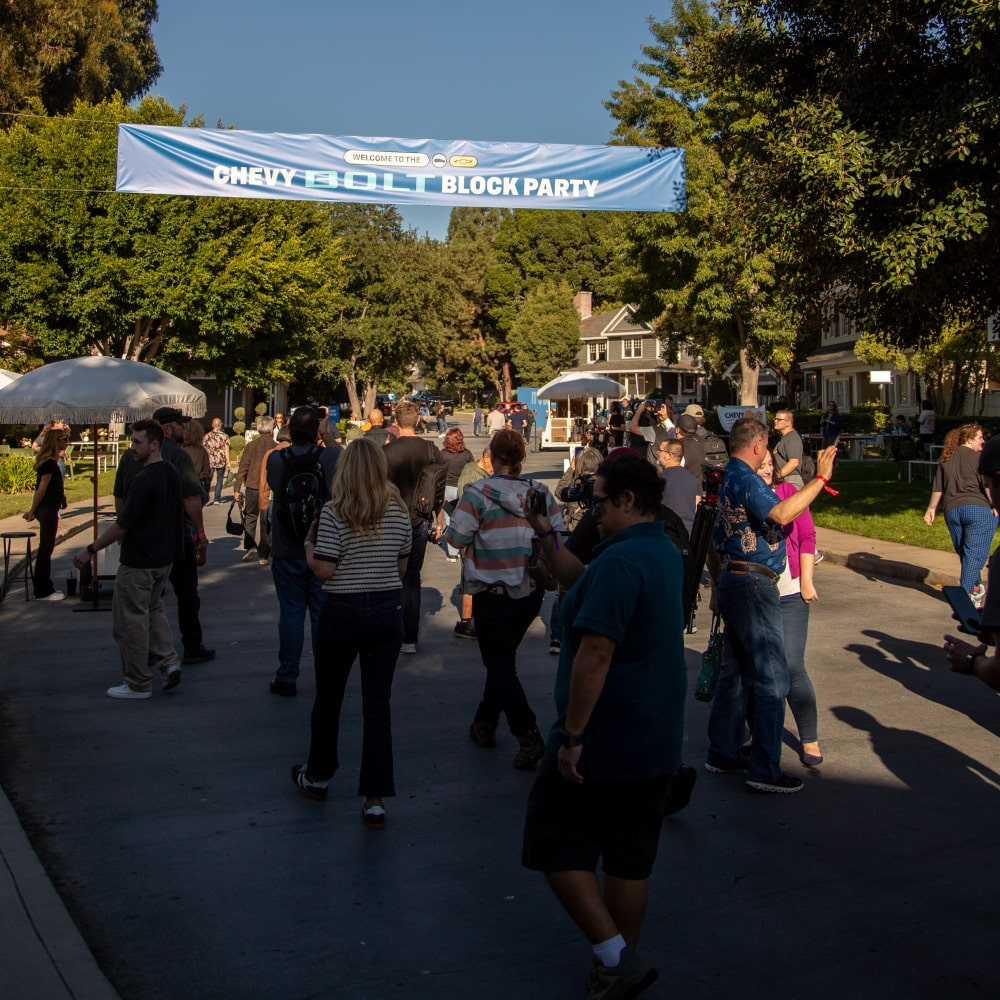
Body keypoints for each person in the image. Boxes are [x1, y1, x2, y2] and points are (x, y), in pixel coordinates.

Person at [520, 452, 686, 997]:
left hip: (606, 739)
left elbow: (595, 652)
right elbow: (579, 577)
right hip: (653, 736)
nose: (594, 513)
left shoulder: (622, 562)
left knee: (551, 842)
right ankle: (620, 965)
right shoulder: (656, 549)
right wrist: (546, 532)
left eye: (600, 503)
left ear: (627, 501)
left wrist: (571, 736)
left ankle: (614, 956)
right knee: (628, 860)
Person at [706, 417, 836, 793]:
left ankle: (723, 751)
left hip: (734, 576)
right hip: (752, 581)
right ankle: (765, 767)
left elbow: (715, 537)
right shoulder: (746, 478)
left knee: (736, 670)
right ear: (759, 445)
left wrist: (717, 583)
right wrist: (820, 480)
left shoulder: (724, 475)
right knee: (771, 675)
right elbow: (781, 513)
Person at [292, 437, 411, 829]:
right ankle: (375, 796)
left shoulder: (333, 512)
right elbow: (401, 567)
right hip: (385, 607)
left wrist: (309, 546)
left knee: (330, 696)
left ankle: (319, 774)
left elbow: (324, 569)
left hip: (343, 608)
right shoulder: (398, 510)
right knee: (378, 703)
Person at [445, 429, 564, 769]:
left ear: (492, 458)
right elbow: (555, 538)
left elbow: (456, 538)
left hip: (490, 590)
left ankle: (527, 734)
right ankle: (484, 722)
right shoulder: (539, 493)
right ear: (522, 458)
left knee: (499, 664)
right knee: (502, 660)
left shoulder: (477, 494)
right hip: (530, 590)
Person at [74, 420, 185, 698]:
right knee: (154, 609)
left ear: (155, 444)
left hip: (139, 562)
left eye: (137, 442)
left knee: (130, 622)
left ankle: (138, 682)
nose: (131, 447)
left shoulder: (145, 479)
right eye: (131, 441)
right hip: (163, 558)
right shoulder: (170, 472)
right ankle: (169, 662)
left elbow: (122, 524)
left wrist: (90, 549)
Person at [114, 407, 213, 665]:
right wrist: (200, 532)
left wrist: (124, 526)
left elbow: (119, 496)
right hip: (174, 538)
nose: (183, 429)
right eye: (179, 424)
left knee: (145, 601)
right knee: (186, 593)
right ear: (168, 428)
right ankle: (192, 644)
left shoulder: (129, 456)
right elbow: (191, 497)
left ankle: (146, 650)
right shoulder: (177, 456)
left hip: (139, 542)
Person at [266, 406, 340, 697]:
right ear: (317, 431)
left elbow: (276, 489)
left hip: (286, 545)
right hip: (323, 543)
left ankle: (286, 675)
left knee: (291, 614)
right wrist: (326, 435)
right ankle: (327, 674)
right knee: (322, 614)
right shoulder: (331, 457)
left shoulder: (276, 459)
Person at [757, 450, 823, 765]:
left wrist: (807, 580)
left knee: (793, 664)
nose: (768, 469)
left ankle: (809, 738)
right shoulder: (745, 496)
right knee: (759, 670)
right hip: (757, 593)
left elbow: (807, 536)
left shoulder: (788, 493)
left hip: (791, 592)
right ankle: (761, 738)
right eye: (762, 465)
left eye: (771, 464)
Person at [385, 400, 445, 653]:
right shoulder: (431, 450)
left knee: (390, 576)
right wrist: (439, 519)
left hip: (390, 519)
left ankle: (390, 631)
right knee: (412, 577)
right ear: (418, 420)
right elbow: (439, 489)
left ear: (396, 422)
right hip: (420, 518)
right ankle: (409, 637)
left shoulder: (387, 451)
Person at [924, 423, 996, 609]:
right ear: (969, 439)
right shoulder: (978, 457)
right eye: (980, 437)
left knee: (966, 553)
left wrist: (931, 508)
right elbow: (987, 484)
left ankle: (975, 587)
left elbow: (938, 487)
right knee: (974, 556)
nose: (983, 441)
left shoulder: (946, 458)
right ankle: (964, 597)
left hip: (952, 511)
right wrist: (995, 504)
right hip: (978, 509)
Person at [453, 446, 494, 639]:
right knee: (470, 578)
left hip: (483, 534)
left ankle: (473, 619)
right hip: (472, 534)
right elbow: (466, 503)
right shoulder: (471, 474)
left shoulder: (483, 474)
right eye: (494, 463)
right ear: (486, 458)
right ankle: (467, 621)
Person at [23, 426, 68, 601]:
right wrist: (32, 510)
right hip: (47, 509)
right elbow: (41, 490)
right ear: (55, 441)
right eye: (63, 438)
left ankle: (43, 586)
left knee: (47, 547)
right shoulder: (49, 464)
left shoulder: (52, 462)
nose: (66, 441)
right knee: (45, 548)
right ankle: (43, 589)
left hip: (50, 507)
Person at [234, 415, 277, 565]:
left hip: (252, 485)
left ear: (258, 429)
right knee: (266, 521)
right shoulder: (275, 446)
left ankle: (250, 546)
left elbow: (242, 468)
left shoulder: (251, 446)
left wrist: (237, 488)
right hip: (268, 488)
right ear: (271, 430)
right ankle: (264, 553)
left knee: (250, 517)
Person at [436, 427, 474, 561]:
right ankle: (462, 546)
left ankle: (452, 552)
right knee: (463, 518)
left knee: (449, 518)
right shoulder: (467, 454)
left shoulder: (442, 454)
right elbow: (472, 469)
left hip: (447, 488)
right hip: (462, 487)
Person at [656, 439, 699, 538]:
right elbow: (696, 507)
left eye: (660, 450)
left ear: (669, 455)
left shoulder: (660, 479)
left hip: (668, 534)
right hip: (688, 534)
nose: (657, 452)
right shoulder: (693, 480)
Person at [628, 399, 673, 466]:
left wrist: (639, 410)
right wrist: (651, 418)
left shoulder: (655, 431)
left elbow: (633, 428)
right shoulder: (673, 428)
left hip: (657, 469)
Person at [182, 420, 212, 504]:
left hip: (182, 486)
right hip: (197, 486)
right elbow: (206, 473)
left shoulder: (179, 450)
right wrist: (207, 490)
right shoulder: (201, 450)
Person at [773, 409, 805, 488]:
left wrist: (777, 476)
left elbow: (793, 462)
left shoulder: (792, 438)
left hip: (791, 480)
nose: (775, 421)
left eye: (779, 419)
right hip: (784, 480)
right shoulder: (785, 437)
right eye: (775, 419)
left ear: (788, 423)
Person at [203, 418, 231, 505]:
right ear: (220, 425)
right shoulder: (224, 436)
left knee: (208, 480)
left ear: (212, 425)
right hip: (221, 460)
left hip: (209, 461)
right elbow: (226, 450)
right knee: (219, 479)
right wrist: (228, 462)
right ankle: (217, 499)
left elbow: (203, 449)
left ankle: (205, 497)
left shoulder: (207, 436)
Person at [673, 414, 705, 487]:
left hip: (683, 491)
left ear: (677, 430)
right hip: (698, 490)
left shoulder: (678, 448)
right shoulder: (700, 445)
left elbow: (675, 474)